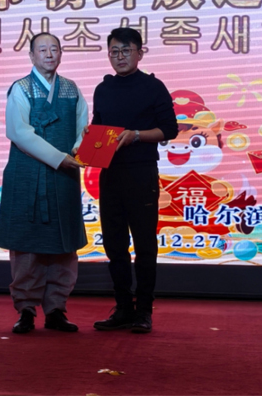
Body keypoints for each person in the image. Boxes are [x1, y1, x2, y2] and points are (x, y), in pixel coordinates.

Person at [0, 32, 88, 334]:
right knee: (27, 246)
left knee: (63, 245)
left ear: (61, 54)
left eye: (54, 49)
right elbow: (18, 133)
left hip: (64, 177)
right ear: (31, 55)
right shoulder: (20, 88)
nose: (49, 54)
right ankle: (25, 310)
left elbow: (83, 128)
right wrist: (59, 158)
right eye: (42, 49)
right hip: (27, 175)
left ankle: (56, 309)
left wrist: (77, 150)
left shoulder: (71, 89)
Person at [91, 27, 178, 334]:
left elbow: (170, 130)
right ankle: (123, 308)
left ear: (140, 53)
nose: (120, 57)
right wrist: (88, 141)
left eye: (126, 51)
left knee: (144, 244)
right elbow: (98, 128)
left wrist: (137, 136)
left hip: (141, 173)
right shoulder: (103, 89)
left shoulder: (153, 87)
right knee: (114, 244)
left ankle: (144, 311)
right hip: (110, 174)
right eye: (114, 51)